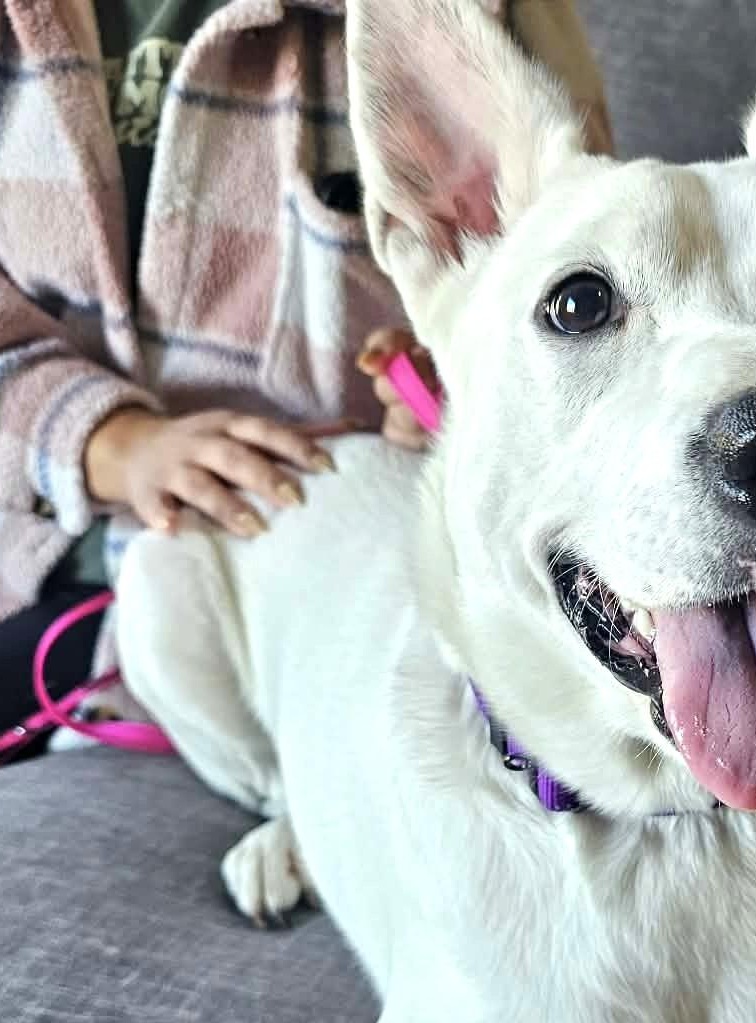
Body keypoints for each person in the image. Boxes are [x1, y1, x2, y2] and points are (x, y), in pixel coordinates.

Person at [0, 0, 610, 757]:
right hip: (40, 561)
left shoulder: (473, 17)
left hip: (324, 571)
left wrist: (466, 388)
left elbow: (585, 268)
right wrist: (108, 442)